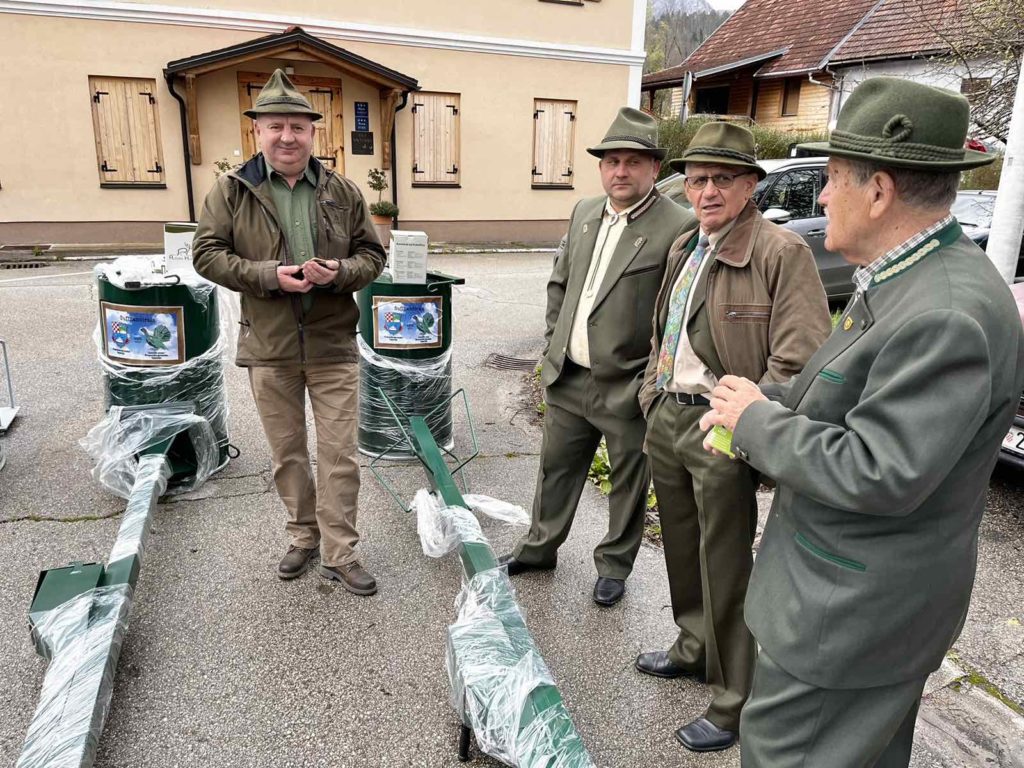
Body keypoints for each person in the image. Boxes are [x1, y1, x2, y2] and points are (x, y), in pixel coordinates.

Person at [699, 78, 1024, 767]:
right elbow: (845, 394)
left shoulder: (944, 312)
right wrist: (764, 400)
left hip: (846, 619)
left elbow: (882, 470)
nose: (819, 197)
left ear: (877, 192)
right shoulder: (907, 276)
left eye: (832, 179)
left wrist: (756, 424)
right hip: (851, 609)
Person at [635, 122, 830, 752]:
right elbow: (665, 328)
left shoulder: (781, 252)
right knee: (681, 546)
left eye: (723, 178)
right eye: (697, 179)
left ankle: (734, 698)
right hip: (669, 413)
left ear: (750, 184)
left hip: (720, 424)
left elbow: (800, 360)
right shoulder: (686, 244)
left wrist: (743, 424)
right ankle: (694, 643)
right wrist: (651, 391)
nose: (708, 190)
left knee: (725, 561)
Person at [193, 69, 386, 595]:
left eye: (297, 126)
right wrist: (266, 276)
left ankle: (341, 550)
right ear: (257, 131)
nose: (286, 136)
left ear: (312, 132)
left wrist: (340, 273)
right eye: (274, 125)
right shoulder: (232, 192)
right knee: (288, 453)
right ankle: (303, 536)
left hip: (331, 344)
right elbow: (206, 254)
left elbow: (372, 255)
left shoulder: (342, 191)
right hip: (270, 345)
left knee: (340, 454)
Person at [500, 107, 695, 606]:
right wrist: (552, 344)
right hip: (568, 376)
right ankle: (540, 547)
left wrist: (646, 383)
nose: (620, 171)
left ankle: (613, 565)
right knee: (555, 469)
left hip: (626, 383)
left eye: (633, 161)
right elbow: (560, 284)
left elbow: (677, 317)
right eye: (611, 161)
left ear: (655, 167)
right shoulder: (585, 212)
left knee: (629, 480)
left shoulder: (678, 227)